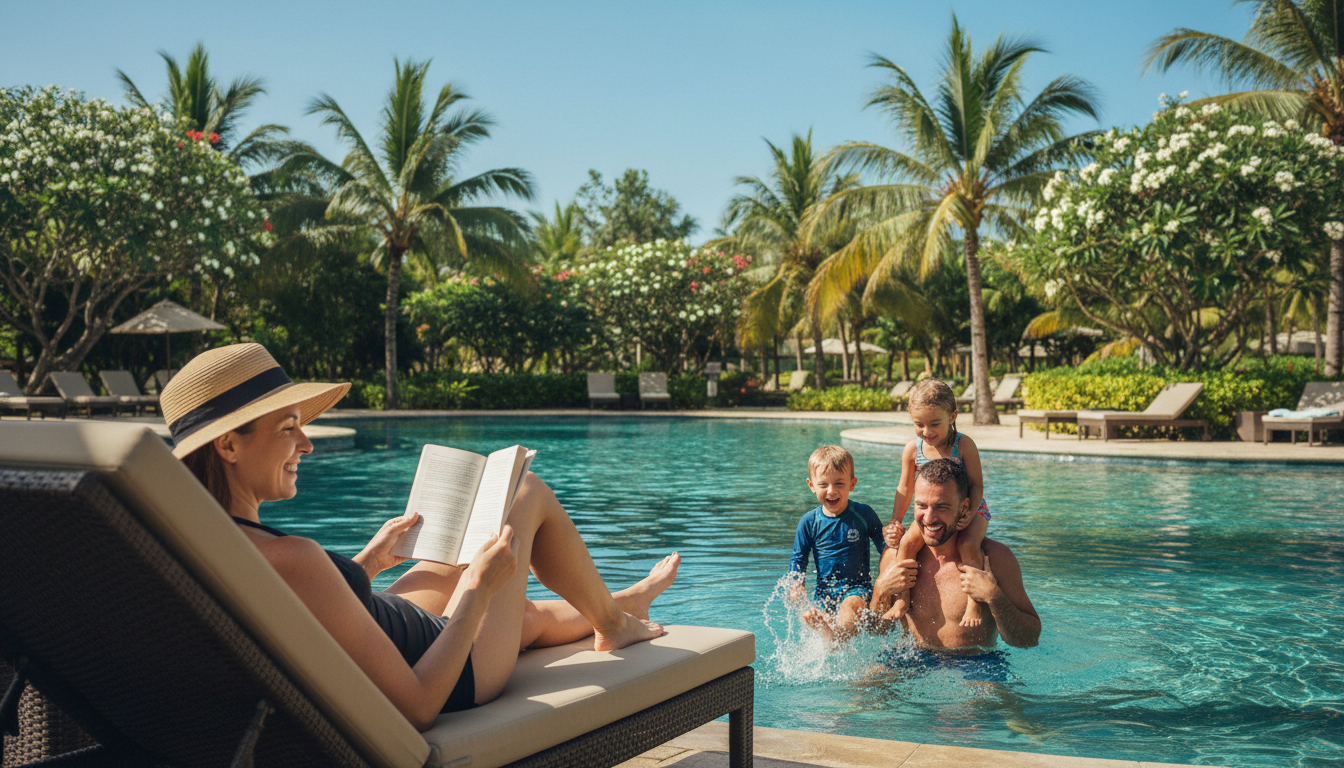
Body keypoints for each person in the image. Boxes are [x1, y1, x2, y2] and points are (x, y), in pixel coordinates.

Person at [160, 343, 677, 731]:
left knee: (487, 571)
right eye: (288, 428)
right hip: (453, 671)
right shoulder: (291, 557)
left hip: (379, 621)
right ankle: (611, 622)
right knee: (525, 493)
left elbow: (303, 607)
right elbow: (419, 705)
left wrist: (367, 562)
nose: (307, 445)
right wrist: (476, 590)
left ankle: (622, 601)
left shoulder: (200, 544)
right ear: (228, 445)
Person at [871, 459, 1039, 654]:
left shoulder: (995, 558)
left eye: (941, 507)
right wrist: (880, 592)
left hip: (975, 664)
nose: (929, 518)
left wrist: (994, 597)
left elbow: (1029, 640)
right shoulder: (896, 557)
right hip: (912, 657)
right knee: (869, 681)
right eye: (921, 505)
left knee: (992, 687)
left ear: (964, 507)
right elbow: (876, 632)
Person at [884, 378, 991, 627]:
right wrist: (895, 521)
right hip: (932, 513)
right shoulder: (913, 450)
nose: (927, 432)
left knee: (967, 543)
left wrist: (969, 512)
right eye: (918, 424)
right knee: (907, 544)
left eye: (934, 424)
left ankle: (974, 602)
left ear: (952, 416)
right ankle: (902, 598)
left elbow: (976, 485)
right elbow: (905, 488)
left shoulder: (963, 445)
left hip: (970, 508)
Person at [788, 445, 886, 644]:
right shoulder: (809, 522)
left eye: (839, 483)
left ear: (852, 483)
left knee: (850, 607)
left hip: (857, 590)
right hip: (824, 594)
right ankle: (830, 636)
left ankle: (834, 637)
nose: (831, 491)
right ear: (811, 485)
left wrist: (885, 582)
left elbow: (884, 547)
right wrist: (796, 584)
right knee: (817, 617)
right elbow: (798, 558)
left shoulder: (863, 514)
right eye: (823, 484)